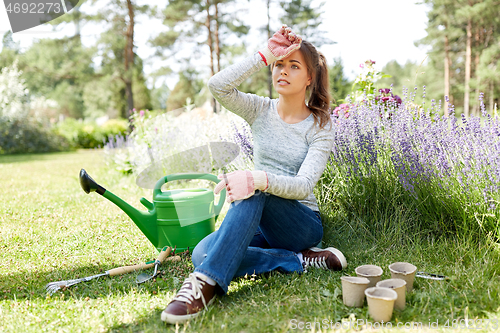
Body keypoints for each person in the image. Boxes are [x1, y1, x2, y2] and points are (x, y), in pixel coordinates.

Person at [161, 25, 347, 324]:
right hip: (260, 223)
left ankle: (203, 286)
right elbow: (218, 86)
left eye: (294, 66)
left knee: (254, 188)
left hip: (300, 224)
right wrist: (264, 54)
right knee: (202, 254)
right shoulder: (260, 110)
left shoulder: (320, 126)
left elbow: (303, 186)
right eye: (279, 65)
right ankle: (300, 260)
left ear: (310, 78)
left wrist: (257, 179)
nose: (282, 71)